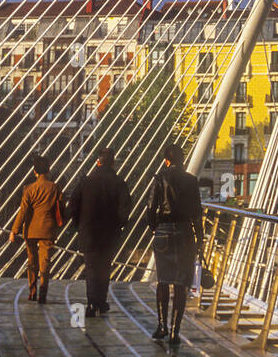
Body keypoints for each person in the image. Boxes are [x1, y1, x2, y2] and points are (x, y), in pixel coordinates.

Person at [146, 143, 203, 345]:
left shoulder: (159, 179)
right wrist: (200, 240)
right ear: (182, 160)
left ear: (166, 160)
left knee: (163, 279)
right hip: (184, 233)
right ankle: (174, 332)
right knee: (180, 284)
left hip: (163, 231)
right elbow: (197, 214)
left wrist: (155, 228)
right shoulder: (191, 181)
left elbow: (151, 209)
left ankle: (161, 325)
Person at [67, 146, 132, 318]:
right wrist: (120, 223)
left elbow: (72, 206)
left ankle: (91, 303)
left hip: (88, 232)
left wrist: (79, 224)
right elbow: (126, 207)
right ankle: (101, 302)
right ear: (113, 164)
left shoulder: (85, 182)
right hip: (110, 233)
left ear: (97, 162)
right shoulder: (119, 183)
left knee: (91, 269)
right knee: (104, 268)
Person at [9, 154, 66, 303]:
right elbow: (61, 207)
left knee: (31, 261)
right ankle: (43, 292)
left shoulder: (29, 189)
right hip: (47, 230)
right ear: (48, 171)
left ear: (35, 172)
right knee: (45, 262)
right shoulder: (54, 187)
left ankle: (32, 291)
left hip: (30, 230)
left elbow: (23, 211)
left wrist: (14, 230)